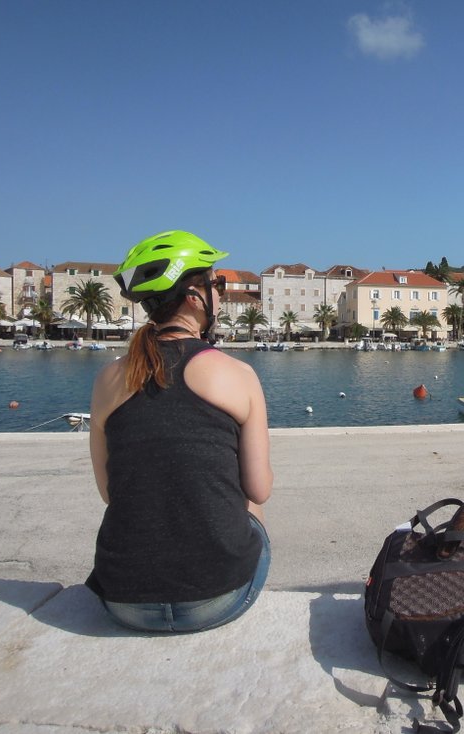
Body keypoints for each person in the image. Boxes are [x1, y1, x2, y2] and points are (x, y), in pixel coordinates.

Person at [85, 230, 273, 633]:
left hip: (123, 600)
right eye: (217, 284)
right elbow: (259, 490)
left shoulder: (108, 379)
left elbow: (109, 493)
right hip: (216, 600)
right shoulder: (237, 374)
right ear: (194, 294)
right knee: (249, 504)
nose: (220, 294)